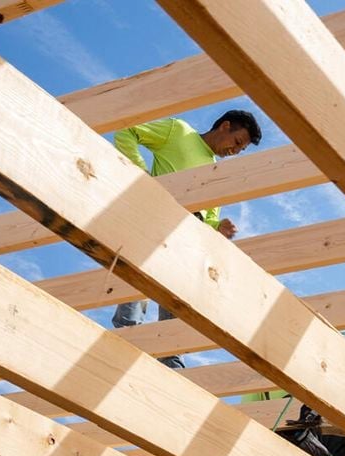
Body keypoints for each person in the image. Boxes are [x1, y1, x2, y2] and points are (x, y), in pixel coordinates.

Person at [111, 110, 262, 368]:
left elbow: (207, 218)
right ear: (225, 126)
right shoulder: (179, 131)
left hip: (184, 247)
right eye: (237, 143)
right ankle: (125, 354)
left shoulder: (215, 173)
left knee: (175, 321)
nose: (235, 151)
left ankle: (171, 370)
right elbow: (127, 133)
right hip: (151, 227)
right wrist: (142, 176)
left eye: (242, 150)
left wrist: (218, 227)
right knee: (133, 306)